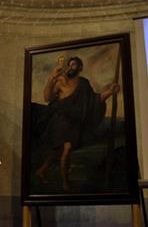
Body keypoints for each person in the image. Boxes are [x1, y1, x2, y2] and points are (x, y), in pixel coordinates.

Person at [34, 56, 119, 192]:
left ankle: (41, 171)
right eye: (69, 65)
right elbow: (47, 97)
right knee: (66, 149)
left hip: (74, 125)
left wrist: (110, 91)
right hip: (59, 123)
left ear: (80, 68)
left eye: (74, 65)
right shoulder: (60, 82)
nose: (70, 67)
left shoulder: (83, 84)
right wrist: (51, 79)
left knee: (59, 151)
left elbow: (95, 100)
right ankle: (65, 183)